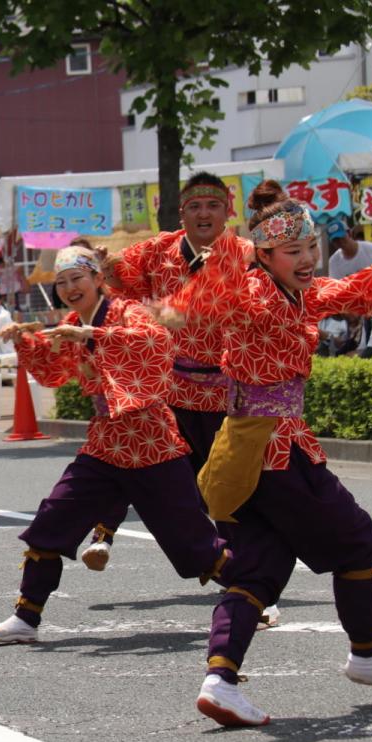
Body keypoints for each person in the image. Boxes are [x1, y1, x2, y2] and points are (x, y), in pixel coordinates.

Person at [164, 181, 372, 727]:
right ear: (264, 255)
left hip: (246, 449)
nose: (309, 259)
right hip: (274, 451)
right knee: (358, 540)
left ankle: (220, 680)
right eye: (295, 251)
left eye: (312, 246)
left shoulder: (292, 291)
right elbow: (216, 306)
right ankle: (367, 653)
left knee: (260, 568)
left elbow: (358, 292)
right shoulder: (255, 293)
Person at [0, 246, 238, 646]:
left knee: (192, 542)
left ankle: (254, 596)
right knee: (52, 521)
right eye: (61, 283)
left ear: (98, 279)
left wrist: (92, 334)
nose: (68, 288)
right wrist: (25, 341)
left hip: (151, 441)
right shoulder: (70, 322)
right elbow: (54, 372)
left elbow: (154, 341)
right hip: (104, 443)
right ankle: (26, 617)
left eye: (76, 278)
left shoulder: (126, 311)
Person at [86, 172, 255, 572]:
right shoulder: (159, 249)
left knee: (226, 488)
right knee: (133, 452)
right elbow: (122, 284)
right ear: (182, 213)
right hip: (169, 388)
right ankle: (103, 534)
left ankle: (245, 576)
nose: (203, 213)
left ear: (228, 211)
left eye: (213, 205)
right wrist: (105, 266)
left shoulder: (245, 253)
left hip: (223, 391)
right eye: (194, 206)